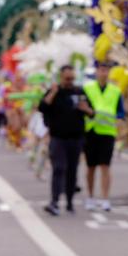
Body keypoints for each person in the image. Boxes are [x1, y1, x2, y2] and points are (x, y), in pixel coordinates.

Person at [37, 65, 91, 215]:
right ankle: (54, 201)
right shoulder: (55, 92)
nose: (70, 81)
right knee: (59, 168)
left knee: (72, 170)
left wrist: (85, 109)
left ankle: (69, 202)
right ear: (61, 77)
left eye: (72, 78)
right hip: (58, 137)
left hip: (76, 138)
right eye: (67, 78)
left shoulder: (79, 92)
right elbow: (42, 107)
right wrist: (52, 93)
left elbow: (92, 112)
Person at [81, 63, 125, 211]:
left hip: (107, 132)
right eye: (101, 70)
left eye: (106, 71)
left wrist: (119, 121)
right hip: (91, 131)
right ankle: (91, 197)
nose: (103, 73)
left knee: (105, 166)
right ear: (96, 72)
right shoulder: (88, 88)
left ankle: (105, 198)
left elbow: (120, 112)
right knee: (90, 167)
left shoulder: (115, 91)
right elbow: (82, 107)